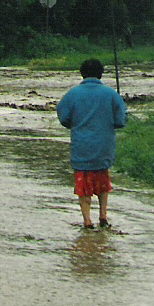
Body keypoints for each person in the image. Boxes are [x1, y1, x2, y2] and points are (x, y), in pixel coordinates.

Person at [56, 58, 127, 229]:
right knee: (103, 180)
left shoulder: (72, 94)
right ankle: (103, 216)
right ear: (101, 74)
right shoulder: (111, 94)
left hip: (81, 147)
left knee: (83, 184)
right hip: (104, 147)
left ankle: (87, 220)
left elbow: (64, 118)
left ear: (82, 74)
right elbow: (120, 121)